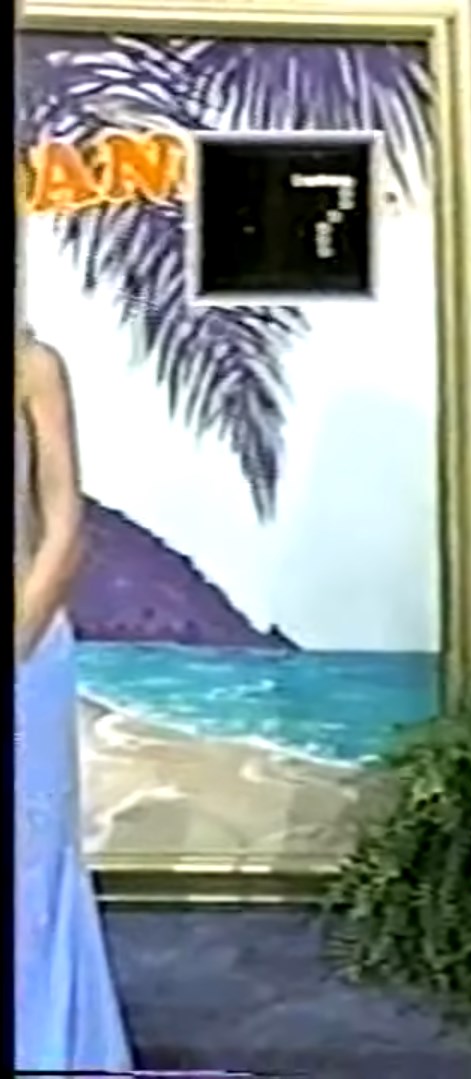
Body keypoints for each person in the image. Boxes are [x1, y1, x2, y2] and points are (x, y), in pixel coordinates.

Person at [15, 326, 133, 1071]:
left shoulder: (31, 365)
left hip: (24, 646)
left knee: (31, 865)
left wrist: (17, 638)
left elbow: (66, 528)